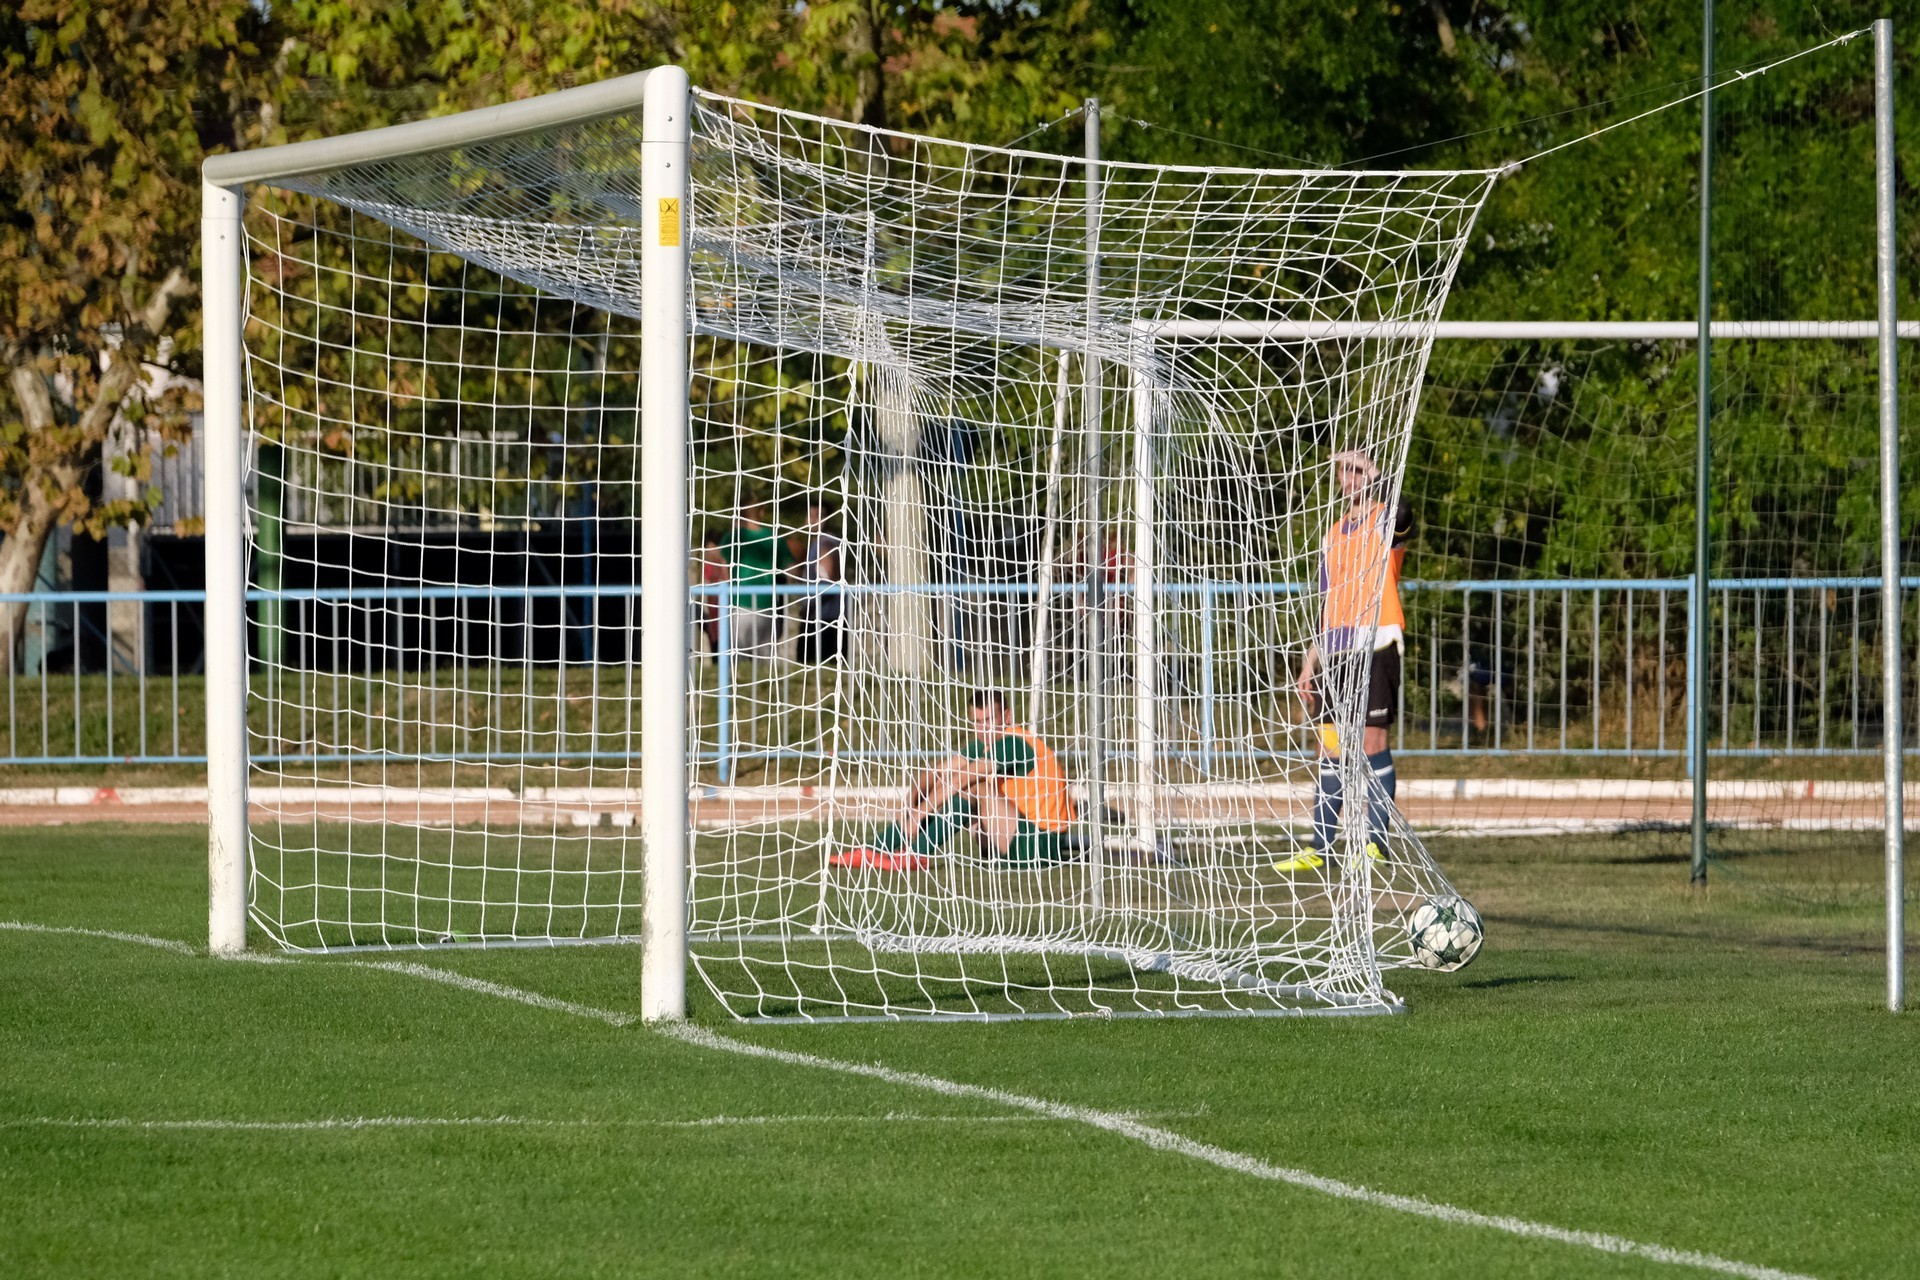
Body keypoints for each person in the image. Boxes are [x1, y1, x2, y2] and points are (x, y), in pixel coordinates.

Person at [1274, 447, 1411, 873]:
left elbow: (1404, 512)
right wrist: (1309, 662)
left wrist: (1376, 472)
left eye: (1357, 470)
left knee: (1372, 743)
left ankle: (1374, 844)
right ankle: (1320, 847)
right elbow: (1327, 602)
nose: (1349, 478)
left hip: (1377, 644)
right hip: (1336, 651)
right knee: (1330, 748)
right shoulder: (1333, 533)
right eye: (1343, 471)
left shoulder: (1385, 519)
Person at [830, 688, 1075, 871]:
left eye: (989, 720)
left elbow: (961, 780)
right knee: (957, 786)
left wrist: (919, 814)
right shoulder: (987, 743)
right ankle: (875, 848)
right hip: (1018, 835)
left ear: (1007, 717)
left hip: (1040, 846)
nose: (983, 728)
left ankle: (915, 854)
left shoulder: (1015, 742)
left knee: (976, 787)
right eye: (977, 722)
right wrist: (912, 799)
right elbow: (938, 771)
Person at [718, 500, 796, 660]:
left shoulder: (732, 537)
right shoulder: (774, 537)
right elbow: (791, 569)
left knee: (737, 660)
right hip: (768, 606)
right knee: (766, 662)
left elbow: (723, 567)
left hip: (740, 605)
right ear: (761, 512)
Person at [792, 502, 844, 664]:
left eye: (819, 516)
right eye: (810, 515)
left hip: (824, 619)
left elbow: (829, 581)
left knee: (813, 665)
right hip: (821, 616)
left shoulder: (826, 543)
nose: (813, 520)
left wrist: (810, 607)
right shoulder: (816, 543)